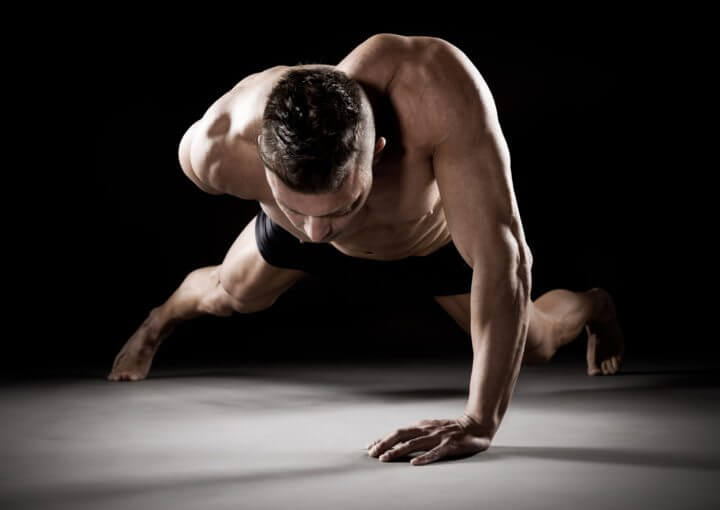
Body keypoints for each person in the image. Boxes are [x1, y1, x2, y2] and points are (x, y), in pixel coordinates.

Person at [108, 34, 624, 465]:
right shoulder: (217, 146)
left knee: (535, 343)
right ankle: (157, 322)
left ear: (376, 153)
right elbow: (308, 223)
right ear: (264, 161)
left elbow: (503, 257)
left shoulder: (434, 89)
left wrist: (479, 420)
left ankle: (594, 306)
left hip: (428, 244)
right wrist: (309, 214)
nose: (318, 233)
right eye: (296, 206)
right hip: (287, 234)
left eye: (342, 206)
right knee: (229, 293)